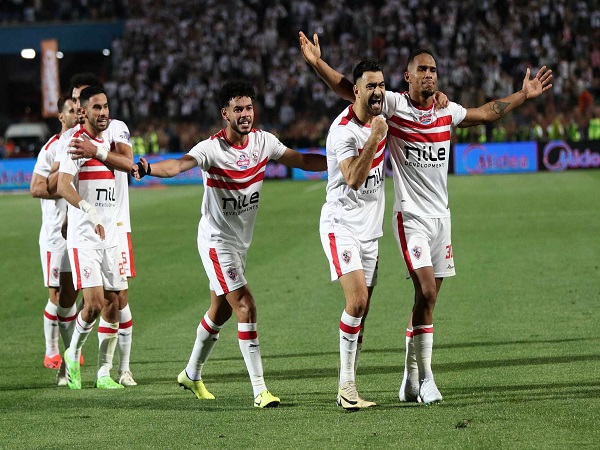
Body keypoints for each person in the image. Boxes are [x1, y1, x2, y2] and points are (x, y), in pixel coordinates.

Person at [299, 32, 553, 404]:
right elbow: (350, 89)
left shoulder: (446, 111)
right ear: (408, 76)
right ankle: (426, 379)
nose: (429, 74)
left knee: (426, 300)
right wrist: (317, 63)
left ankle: (410, 378)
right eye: (422, 69)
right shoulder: (393, 106)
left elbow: (486, 112)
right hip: (410, 217)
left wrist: (523, 95)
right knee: (425, 291)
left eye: (433, 69)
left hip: (441, 219)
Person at [132, 80, 327, 408]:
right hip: (216, 241)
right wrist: (149, 167)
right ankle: (260, 391)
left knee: (220, 310)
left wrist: (339, 163)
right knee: (246, 305)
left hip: (239, 244)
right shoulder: (211, 149)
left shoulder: (264, 142)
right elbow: (178, 164)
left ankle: (191, 374)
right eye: (238, 109)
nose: (245, 114)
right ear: (225, 113)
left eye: (249, 107)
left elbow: (302, 160)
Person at [48, 73, 137, 387]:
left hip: (112, 233)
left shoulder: (108, 143)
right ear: (82, 111)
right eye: (96, 107)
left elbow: (130, 165)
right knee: (95, 303)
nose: (103, 112)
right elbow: (62, 185)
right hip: (85, 235)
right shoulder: (74, 143)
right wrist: (87, 209)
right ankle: (72, 353)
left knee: (114, 302)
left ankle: (104, 373)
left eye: (106, 106)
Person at [318, 59, 387, 410]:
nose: (378, 92)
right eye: (370, 86)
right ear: (356, 91)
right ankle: (345, 388)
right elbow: (354, 179)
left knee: (363, 312)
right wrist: (374, 137)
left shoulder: (382, 110)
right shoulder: (343, 131)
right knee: (356, 301)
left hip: (370, 231)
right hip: (341, 225)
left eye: (381, 85)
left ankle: (351, 385)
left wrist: (437, 96)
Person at [29, 94, 78, 383]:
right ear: (61, 116)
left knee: (71, 298)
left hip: (77, 232)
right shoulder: (51, 149)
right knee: (57, 297)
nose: (76, 114)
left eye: (78, 110)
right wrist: (63, 184)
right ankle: (53, 353)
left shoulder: (83, 144)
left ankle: (70, 351)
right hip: (54, 236)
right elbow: (36, 188)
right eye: (71, 111)